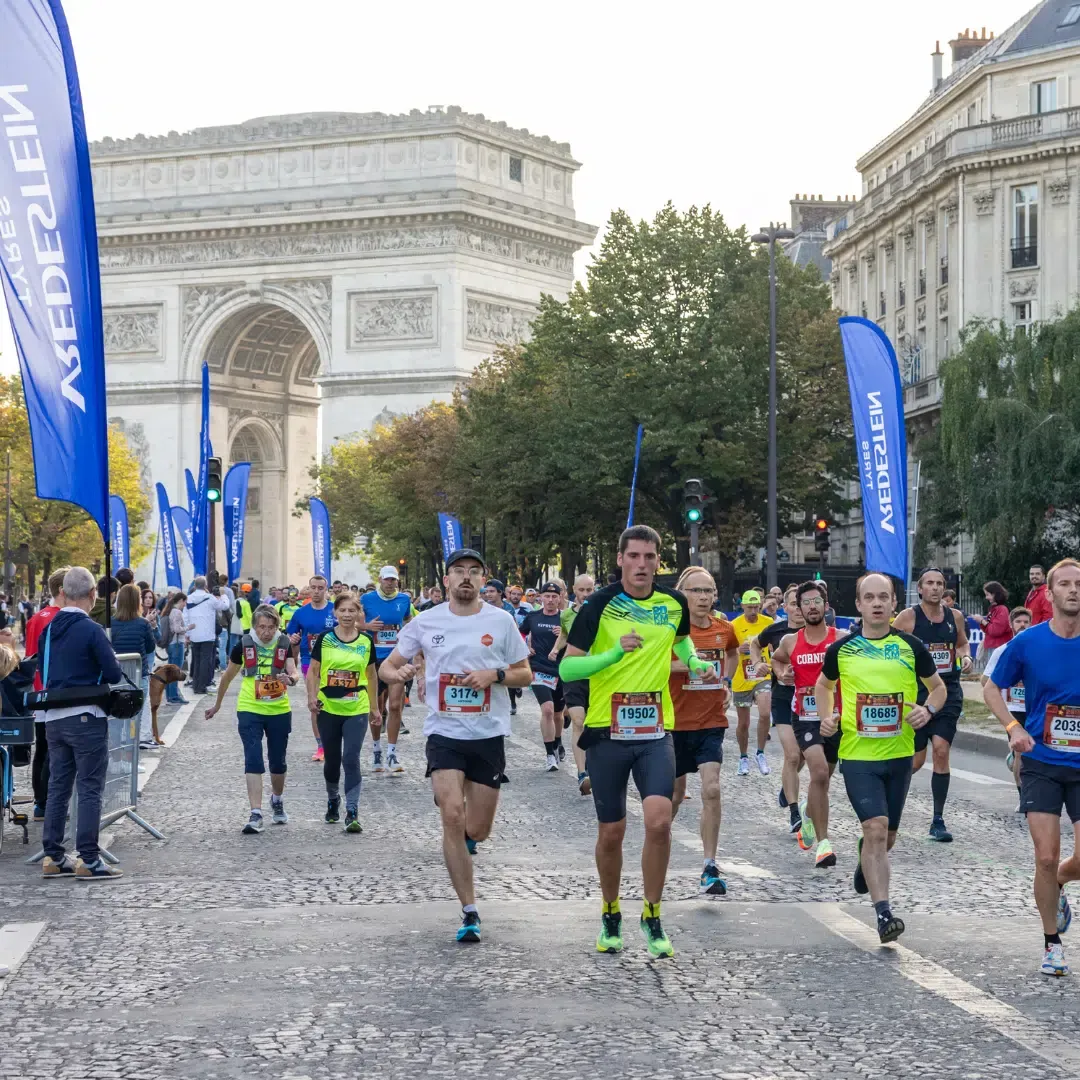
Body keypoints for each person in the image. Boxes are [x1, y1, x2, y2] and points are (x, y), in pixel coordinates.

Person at [561, 525, 713, 958]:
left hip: (655, 730)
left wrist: (696, 662)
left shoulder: (673, 603)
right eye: (634, 557)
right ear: (621, 559)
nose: (642, 565)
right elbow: (569, 671)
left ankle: (652, 912)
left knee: (659, 821)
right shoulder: (599, 605)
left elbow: (682, 644)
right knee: (612, 832)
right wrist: (613, 654)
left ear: (658, 561)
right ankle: (611, 911)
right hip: (607, 731)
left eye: (650, 557)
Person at [379, 548, 531, 943]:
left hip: (487, 734)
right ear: (446, 580)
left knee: (476, 830)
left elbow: (525, 674)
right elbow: (387, 667)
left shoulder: (501, 621)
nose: (466, 577)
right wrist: (402, 672)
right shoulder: (426, 621)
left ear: (483, 580)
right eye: (459, 571)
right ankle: (469, 910)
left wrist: (493, 675)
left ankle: (465, 835)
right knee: (451, 814)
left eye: (474, 572)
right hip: (444, 733)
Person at [816, 572, 945, 943]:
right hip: (858, 754)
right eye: (868, 597)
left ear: (893, 604)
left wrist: (928, 711)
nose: (876, 603)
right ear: (858, 605)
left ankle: (865, 859)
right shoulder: (842, 649)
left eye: (883, 597)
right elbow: (823, 685)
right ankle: (883, 912)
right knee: (874, 827)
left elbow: (937, 689)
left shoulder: (910, 646)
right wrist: (827, 716)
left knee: (886, 836)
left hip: (900, 753)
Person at [984, 558, 1080, 976]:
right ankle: (1051, 943)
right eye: (1065, 584)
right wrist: (1012, 728)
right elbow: (990, 687)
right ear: (1051, 593)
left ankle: (1058, 882)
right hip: (1041, 760)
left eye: (1079, 583)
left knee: (1064, 864)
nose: (1074, 590)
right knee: (1045, 856)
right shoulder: (1028, 642)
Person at [38, 567, 125, 879]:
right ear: (93, 594)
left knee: (58, 786)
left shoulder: (48, 630)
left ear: (63, 592)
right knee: (89, 786)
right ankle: (88, 858)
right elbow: (114, 674)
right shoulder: (91, 629)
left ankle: (52, 856)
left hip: (53, 718)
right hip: (86, 716)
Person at [669, 566, 737, 895]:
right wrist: (692, 664)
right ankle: (657, 846)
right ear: (683, 594)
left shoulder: (724, 629)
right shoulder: (670, 632)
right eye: (696, 591)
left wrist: (725, 681)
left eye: (708, 591)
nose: (704, 597)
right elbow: (654, 664)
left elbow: (733, 652)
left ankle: (710, 865)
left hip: (711, 722)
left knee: (712, 789)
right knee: (674, 796)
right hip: (673, 724)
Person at [892, 567, 972, 842]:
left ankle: (937, 819)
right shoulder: (907, 618)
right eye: (930, 583)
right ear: (920, 589)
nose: (936, 588)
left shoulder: (955, 617)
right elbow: (889, 647)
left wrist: (966, 657)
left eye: (940, 583)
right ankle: (891, 803)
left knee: (941, 749)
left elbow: (961, 644)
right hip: (917, 695)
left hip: (947, 691)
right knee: (915, 761)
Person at [205, 604, 300, 833]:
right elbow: (227, 677)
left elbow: (294, 670)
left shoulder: (284, 644)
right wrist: (217, 705)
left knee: (278, 763)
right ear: (254, 627)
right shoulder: (243, 646)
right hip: (250, 708)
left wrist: (292, 679)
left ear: (277, 626)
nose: (266, 632)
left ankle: (277, 800)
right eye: (261, 627)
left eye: (270, 627)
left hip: (278, 710)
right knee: (253, 758)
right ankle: (255, 813)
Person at [771, 581, 841, 867]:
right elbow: (776, 660)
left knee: (825, 778)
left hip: (835, 719)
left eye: (817, 601)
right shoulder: (790, 642)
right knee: (819, 772)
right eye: (806, 603)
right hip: (805, 718)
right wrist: (782, 674)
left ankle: (809, 814)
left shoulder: (842, 638)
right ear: (798, 609)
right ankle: (824, 844)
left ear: (826, 605)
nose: (812, 607)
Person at [307, 593, 379, 833]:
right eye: (343, 611)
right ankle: (332, 799)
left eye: (352, 611)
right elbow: (314, 671)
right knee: (332, 760)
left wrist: (375, 707)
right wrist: (311, 698)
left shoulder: (366, 641)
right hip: (329, 706)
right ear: (335, 613)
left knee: (351, 757)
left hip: (356, 707)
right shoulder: (325, 639)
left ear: (358, 613)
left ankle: (352, 810)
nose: (347, 615)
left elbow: (371, 675)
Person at [750, 585, 805, 832]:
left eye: (802, 604)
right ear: (785, 607)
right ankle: (794, 812)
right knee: (792, 755)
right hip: (783, 698)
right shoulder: (776, 631)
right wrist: (758, 663)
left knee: (804, 756)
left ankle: (787, 786)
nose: (799, 609)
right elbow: (754, 644)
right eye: (793, 604)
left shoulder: (816, 633)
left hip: (812, 701)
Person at [23, 567, 68, 820]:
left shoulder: (36, 617)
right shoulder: (62, 617)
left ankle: (40, 803)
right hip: (57, 691)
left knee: (42, 748)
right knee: (56, 750)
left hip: (37, 689)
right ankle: (51, 802)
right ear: (64, 590)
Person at [360, 565, 415, 774]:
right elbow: (351, 622)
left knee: (394, 706)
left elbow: (409, 620)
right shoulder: (366, 599)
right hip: (373, 659)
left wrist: (408, 635)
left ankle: (392, 753)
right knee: (375, 708)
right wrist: (366, 627)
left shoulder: (404, 600)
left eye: (394, 580)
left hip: (397, 659)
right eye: (387, 580)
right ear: (380, 579)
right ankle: (376, 749)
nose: (390, 583)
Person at [285, 575, 338, 763]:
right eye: (313, 588)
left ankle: (334, 741)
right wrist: (293, 639)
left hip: (334, 663)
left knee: (334, 703)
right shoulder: (301, 613)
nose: (316, 591)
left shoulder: (335, 611)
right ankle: (321, 746)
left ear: (326, 590)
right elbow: (291, 633)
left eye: (320, 588)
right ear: (308, 589)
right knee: (316, 705)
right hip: (309, 661)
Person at [982, 606, 1031, 806]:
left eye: (1026, 622)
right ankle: (1023, 796)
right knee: (1022, 751)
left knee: (1035, 752)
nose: (1022, 625)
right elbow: (985, 681)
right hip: (1012, 710)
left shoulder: (1037, 649)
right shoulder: (1003, 650)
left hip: (1034, 708)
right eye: (1018, 622)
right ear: (1011, 625)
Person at [553, 574, 596, 793]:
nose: (586, 595)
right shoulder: (567, 615)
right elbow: (565, 636)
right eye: (582, 591)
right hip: (574, 675)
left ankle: (594, 765)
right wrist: (555, 649)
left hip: (598, 675)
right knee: (579, 721)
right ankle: (582, 773)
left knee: (595, 724)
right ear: (573, 591)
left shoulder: (603, 614)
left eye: (590, 590)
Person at [521, 583, 566, 771]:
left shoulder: (565, 618)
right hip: (538, 669)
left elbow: (579, 641)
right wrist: (525, 648)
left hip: (561, 671)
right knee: (547, 710)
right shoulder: (533, 617)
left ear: (560, 598)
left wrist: (565, 635)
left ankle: (557, 742)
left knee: (557, 714)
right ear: (541, 598)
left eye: (554, 597)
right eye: (547, 596)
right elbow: (519, 633)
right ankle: (549, 755)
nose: (550, 600)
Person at [110, 584, 159, 749]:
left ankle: (117, 753)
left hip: (117, 677)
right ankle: (133, 754)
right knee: (135, 715)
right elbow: (151, 647)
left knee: (117, 717)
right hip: (139, 676)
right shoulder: (142, 624)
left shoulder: (111, 624)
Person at [730, 590, 773, 777]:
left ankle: (761, 753)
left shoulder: (768, 623)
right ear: (742, 606)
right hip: (741, 678)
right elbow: (728, 651)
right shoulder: (734, 625)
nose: (753, 611)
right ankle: (743, 757)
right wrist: (739, 650)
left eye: (756, 607)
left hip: (762, 674)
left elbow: (774, 646)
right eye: (750, 607)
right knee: (743, 723)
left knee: (764, 713)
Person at [186, 576, 230, 695]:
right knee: (205, 661)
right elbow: (224, 606)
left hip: (194, 633)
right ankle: (202, 686)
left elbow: (186, 617)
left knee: (196, 661)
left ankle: (195, 685)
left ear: (195, 586)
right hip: (207, 635)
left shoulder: (189, 598)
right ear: (205, 586)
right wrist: (223, 594)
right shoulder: (210, 598)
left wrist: (187, 633)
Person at [161, 592, 193, 705]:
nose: (185, 605)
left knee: (170, 672)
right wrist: (189, 627)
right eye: (185, 602)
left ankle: (170, 695)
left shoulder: (169, 610)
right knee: (175, 672)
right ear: (181, 601)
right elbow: (177, 629)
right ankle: (174, 696)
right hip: (177, 644)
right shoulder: (177, 612)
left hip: (171, 644)